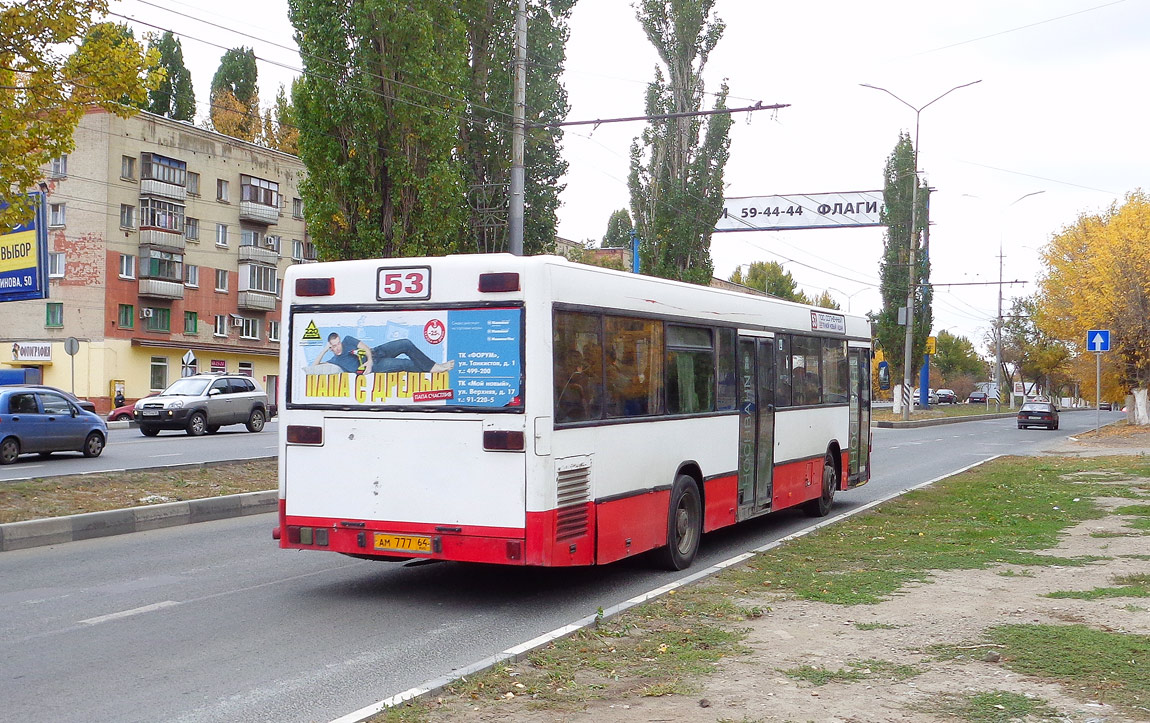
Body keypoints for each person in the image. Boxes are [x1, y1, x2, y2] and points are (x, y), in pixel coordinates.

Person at [321, 332, 454, 375]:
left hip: (375, 353)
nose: (337, 347)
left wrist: (369, 362)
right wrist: (324, 350)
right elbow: (314, 366)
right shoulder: (335, 360)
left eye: (338, 343)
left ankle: (432, 367)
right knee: (405, 363)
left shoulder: (348, 340)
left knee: (405, 343)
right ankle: (434, 368)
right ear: (331, 347)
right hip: (377, 366)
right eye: (333, 346)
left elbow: (366, 348)